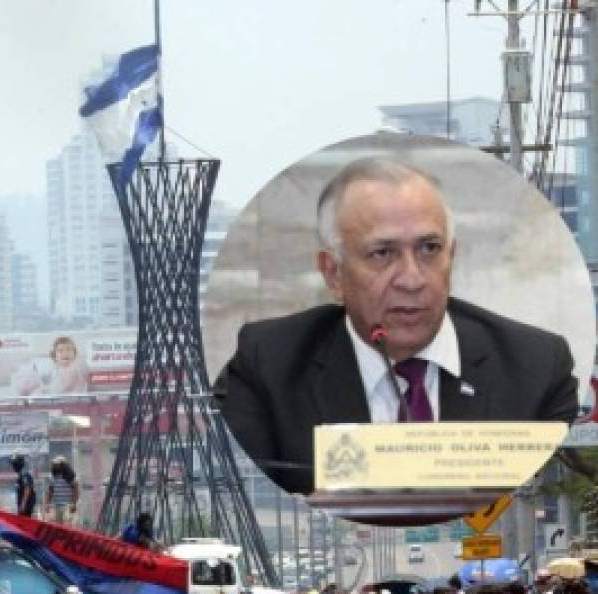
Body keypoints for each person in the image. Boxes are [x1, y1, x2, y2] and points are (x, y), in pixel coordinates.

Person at [213, 156, 579, 496]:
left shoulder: (537, 369)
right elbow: (240, 492)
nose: (411, 278)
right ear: (334, 274)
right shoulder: (268, 366)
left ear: (453, 257)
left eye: (429, 249)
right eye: (382, 253)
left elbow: (552, 492)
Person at [46, 456, 81, 525]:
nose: (56, 466)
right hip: (56, 505)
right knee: (56, 525)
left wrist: (74, 504)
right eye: (55, 465)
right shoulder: (52, 477)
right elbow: (50, 492)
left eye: (58, 465)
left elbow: (76, 491)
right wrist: (47, 504)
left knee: (67, 525)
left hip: (67, 505)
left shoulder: (70, 477)